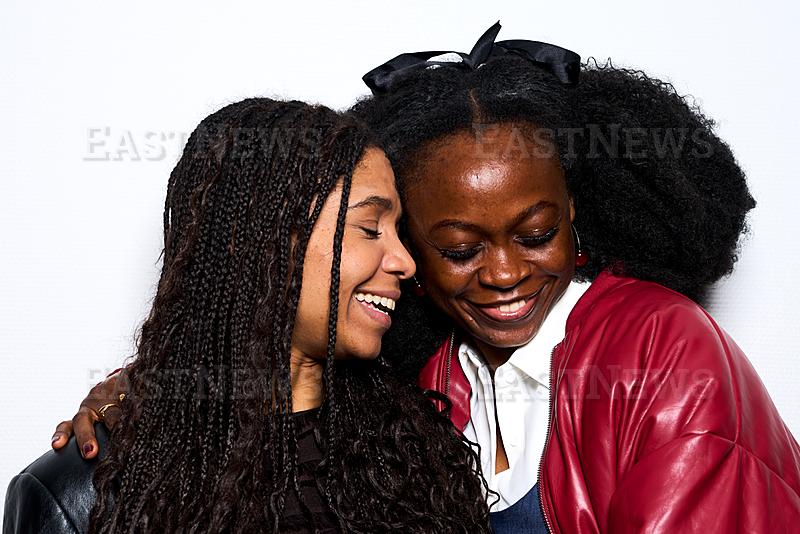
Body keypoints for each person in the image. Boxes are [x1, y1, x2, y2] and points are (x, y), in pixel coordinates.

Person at [45, 23, 800, 532]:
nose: (504, 274)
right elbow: (268, 364)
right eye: (461, 248)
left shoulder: (662, 355)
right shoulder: (430, 382)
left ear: (581, 215)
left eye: (536, 235)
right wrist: (149, 391)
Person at [4, 98, 492, 533]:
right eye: (369, 227)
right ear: (262, 245)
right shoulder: (81, 494)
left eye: (397, 230)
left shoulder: (417, 456)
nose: (405, 261)